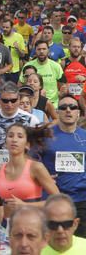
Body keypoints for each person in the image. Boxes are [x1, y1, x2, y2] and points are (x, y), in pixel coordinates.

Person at [0, 123, 59, 224]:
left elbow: (57, 200)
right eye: (10, 136)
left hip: (32, 226)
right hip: (7, 228)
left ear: (27, 144)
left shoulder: (36, 168)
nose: (14, 139)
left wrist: (25, 205)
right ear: (5, 143)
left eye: (20, 136)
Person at [37, 94, 86, 238]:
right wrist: (42, 176)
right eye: (63, 107)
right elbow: (31, 163)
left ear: (79, 112)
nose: (68, 110)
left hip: (81, 200)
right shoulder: (45, 137)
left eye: (73, 107)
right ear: (57, 112)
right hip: (52, 200)